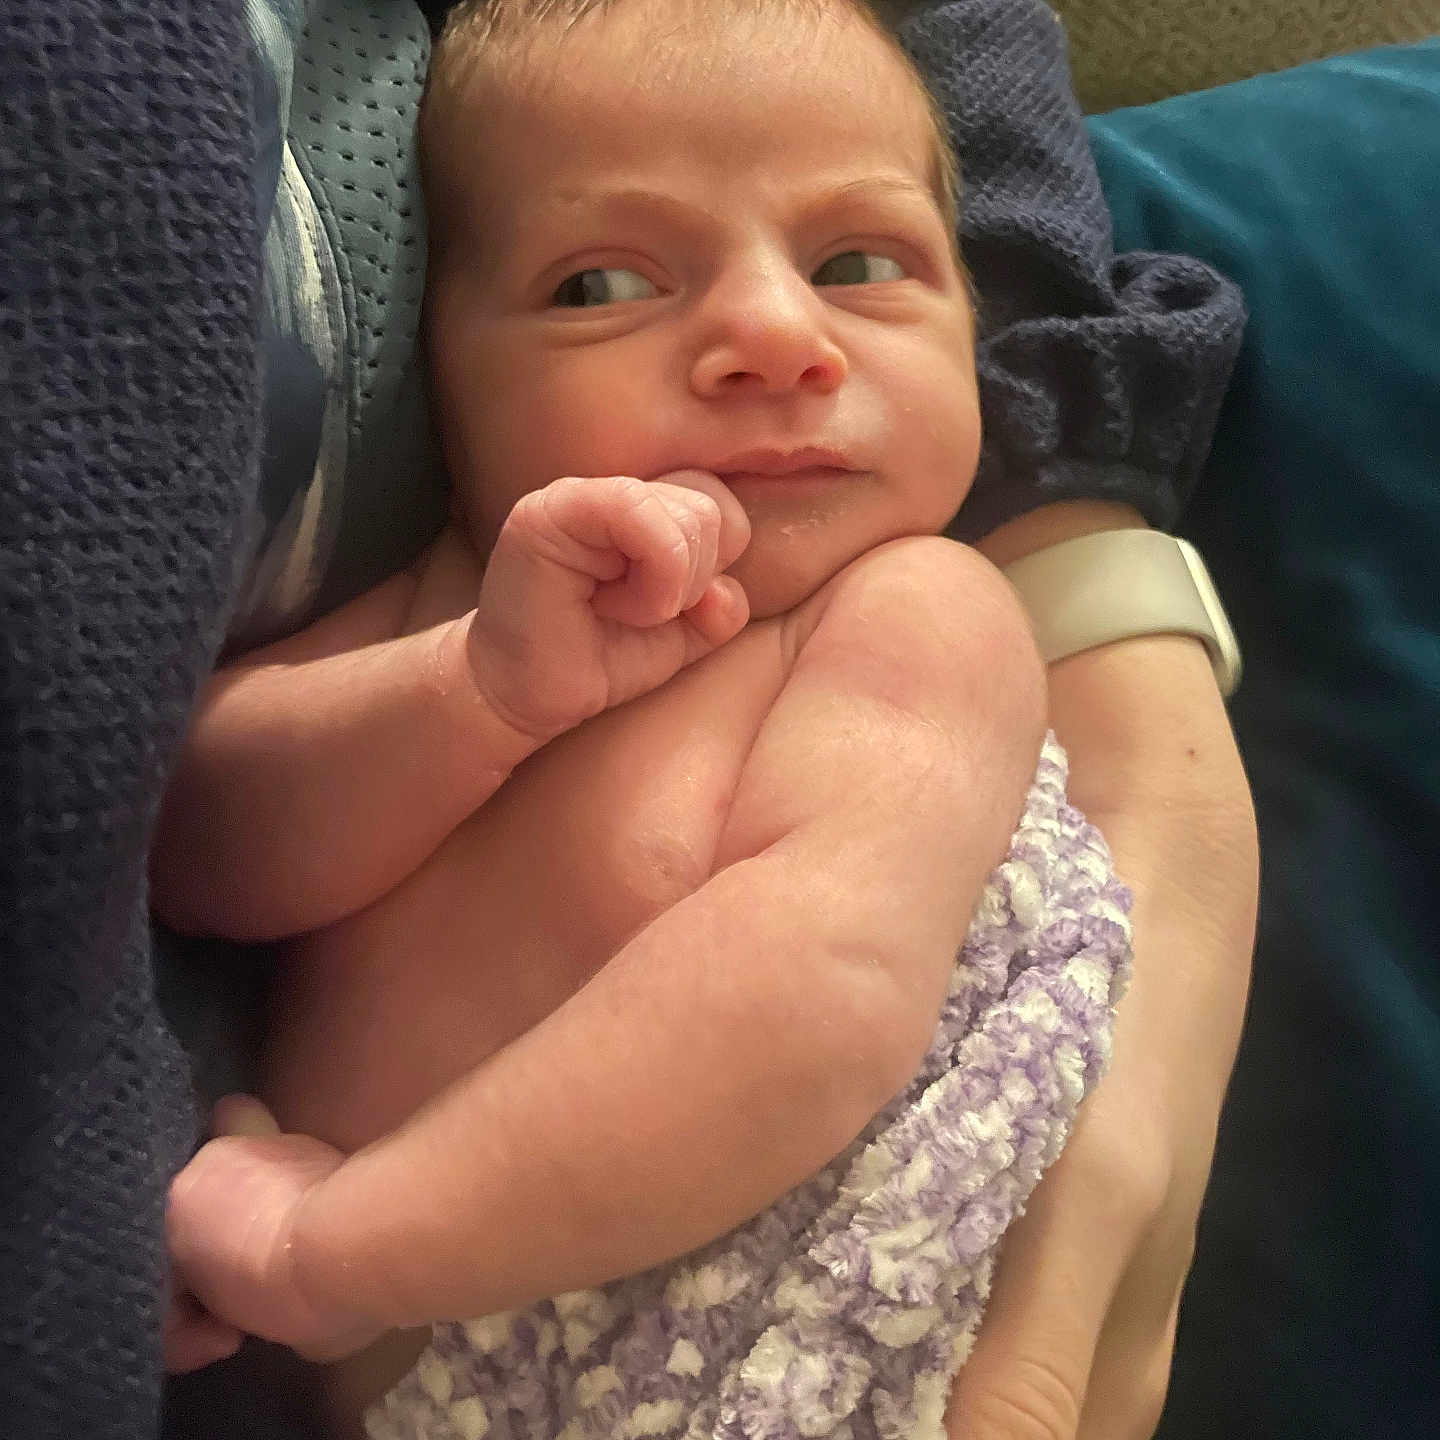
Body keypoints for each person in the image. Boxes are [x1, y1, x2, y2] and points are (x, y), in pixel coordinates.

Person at [1, 2, 1254, 1439]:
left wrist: (334, 1245)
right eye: (601, 284)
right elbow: (194, 844)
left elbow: (819, 997)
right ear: (441, 374)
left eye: (859, 262)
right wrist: (474, 691)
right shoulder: (473, 597)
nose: (775, 338)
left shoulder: (917, 615)